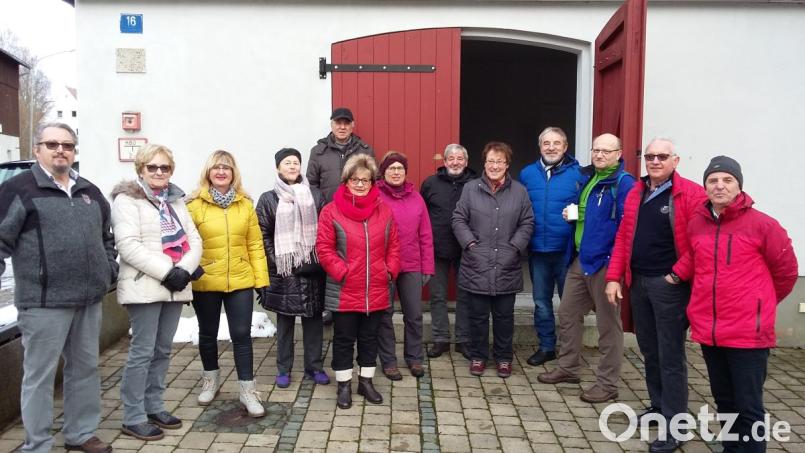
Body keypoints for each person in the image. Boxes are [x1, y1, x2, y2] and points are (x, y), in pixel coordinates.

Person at [0, 123, 117, 453]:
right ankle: (36, 444)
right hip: (43, 302)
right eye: (52, 144)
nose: (60, 150)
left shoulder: (89, 191)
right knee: (40, 375)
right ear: (37, 149)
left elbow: (106, 238)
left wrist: (108, 270)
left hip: (89, 299)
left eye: (67, 144)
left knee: (85, 368)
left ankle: (80, 433)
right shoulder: (19, 189)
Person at [671, 156, 797, 453]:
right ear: (705, 186)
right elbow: (695, 258)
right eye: (713, 180)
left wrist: (761, 304)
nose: (719, 186)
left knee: (748, 407)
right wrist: (674, 275)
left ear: (739, 185)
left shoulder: (763, 225)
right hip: (710, 331)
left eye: (727, 180)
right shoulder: (698, 223)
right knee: (725, 402)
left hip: (747, 334)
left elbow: (787, 272)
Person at [604, 138, 705, 453]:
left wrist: (676, 275)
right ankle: (659, 406)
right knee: (649, 350)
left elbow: (698, 242)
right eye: (650, 156)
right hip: (639, 283)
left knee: (671, 355)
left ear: (676, 160)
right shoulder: (637, 191)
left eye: (662, 156)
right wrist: (613, 277)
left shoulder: (690, 193)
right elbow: (623, 236)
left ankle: (676, 425)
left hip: (669, 287)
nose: (655, 161)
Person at [111, 144, 202, 440]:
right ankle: (133, 415)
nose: (159, 172)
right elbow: (128, 245)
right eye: (153, 167)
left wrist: (184, 271)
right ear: (141, 169)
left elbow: (194, 239)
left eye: (165, 167)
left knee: (162, 350)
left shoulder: (176, 200)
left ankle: (154, 405)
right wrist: (168, 272)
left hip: (175, 286)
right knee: (142, 352)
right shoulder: (127, 200)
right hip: (145, 286)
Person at [538, 133, 635, 403]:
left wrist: (615, 269)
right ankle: (568, 368)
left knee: (608, 325)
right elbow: (594, 215)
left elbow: (625, 230)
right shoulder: (590, 178)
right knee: (567, 312)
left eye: (606, 151)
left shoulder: (624, 184)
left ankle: (607, 384)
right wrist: (574, 216)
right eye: (596, 150)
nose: (600, 155)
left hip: (605, 263)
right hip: (581, 258)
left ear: (618, 153)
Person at [186, 150, 269, 417]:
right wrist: (188, 276)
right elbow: (185, 245)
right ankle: (211, 380)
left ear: (234, 173)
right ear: (207, 172)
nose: (221, 172)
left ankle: (247, 390)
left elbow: (255, 244)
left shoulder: (245, 204)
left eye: (226, 167)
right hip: (206, 280)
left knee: (242, 335)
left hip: (240, 280)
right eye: (216, 167)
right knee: (208, 333)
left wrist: (261, 280)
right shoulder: (193, 205)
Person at [316, 154, 400, 410]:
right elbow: (324, 248)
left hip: (376, 287)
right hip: (345, 290)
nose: (361, 184)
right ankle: (343, 385)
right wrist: (342, 272)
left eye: (366, 180)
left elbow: (394, 245)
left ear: (373, 182)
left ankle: (366, 381)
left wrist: (389, 271)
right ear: (346, 181)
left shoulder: (383, 210)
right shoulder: (331, 211)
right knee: (343, 339)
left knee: (369, 338)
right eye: (355, 179)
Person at [452, 142, 534, 379]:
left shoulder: (519, 191)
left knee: (504, 317)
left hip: (507, 263)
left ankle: (504, 358)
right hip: (476, 263)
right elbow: (458, 219)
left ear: (507, 165)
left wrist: (515, 247)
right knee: (477, 316)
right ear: (484, 164)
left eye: (500, 161)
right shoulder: (470, 188)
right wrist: (470, 245)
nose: (495, 166)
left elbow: (527, 222)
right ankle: (478, 356)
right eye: (490, 161)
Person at [256, 148, 329, 389]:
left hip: (312, 270)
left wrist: (315, 262)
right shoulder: (269, 198)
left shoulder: (315, 195)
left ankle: (314, 367)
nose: (292, 166)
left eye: (296, 162)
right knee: (285, 323)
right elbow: (262, 233)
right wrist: (279, 262)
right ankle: (283, 369)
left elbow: (326, 230)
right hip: (284, 272)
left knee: (313, 322)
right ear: (278, 168)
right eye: (287, 163)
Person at [519, 127, 586, 367]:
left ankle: (569, 351)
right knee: (541, 302)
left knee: (569, 306)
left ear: (565, 147)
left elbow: (588, 206)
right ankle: (547, 346)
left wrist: (577, 215)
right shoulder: (527, 174)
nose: (551, 147)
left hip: (567, 251)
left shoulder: (580, 174)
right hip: (537, 250)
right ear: (540, 147)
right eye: (546, 143)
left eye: (557, 143)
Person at [307, 107, 375, 325]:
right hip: (328, 215)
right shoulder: (318, 151)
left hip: (357, 216)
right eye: (338, 122)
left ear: (352, 125)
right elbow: (312, 184)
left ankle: (354, 303)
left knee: (352, 258)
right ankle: (328, 307)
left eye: (346, 123)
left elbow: (373, 180)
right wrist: (323, 208)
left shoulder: (364, 150)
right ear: (332, 124)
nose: (342, 127)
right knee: (329, 257)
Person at [375, 151, 434, 380]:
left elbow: (426, 235)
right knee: (385, 314)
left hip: (411, 263)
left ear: (405, 172)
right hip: (383, 264)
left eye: (400, 168)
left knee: (414, 314)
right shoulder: (375, 195)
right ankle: (389, 361)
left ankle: (414, 358)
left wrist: (427, 266)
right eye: (392, 168)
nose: (396, 172)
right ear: (384, 171)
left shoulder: (416, 198)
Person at [421, 144, 477, 359]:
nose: (455, 162)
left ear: (466, 161)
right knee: (437, 296)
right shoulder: (430, 183)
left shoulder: (475, 184)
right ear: (444, 162)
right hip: (436, 248)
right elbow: (422, 214)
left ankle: (463, 340)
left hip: (467, 249)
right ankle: (440, 339)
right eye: (451, 158)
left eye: (460, 158)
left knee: (465, 295)